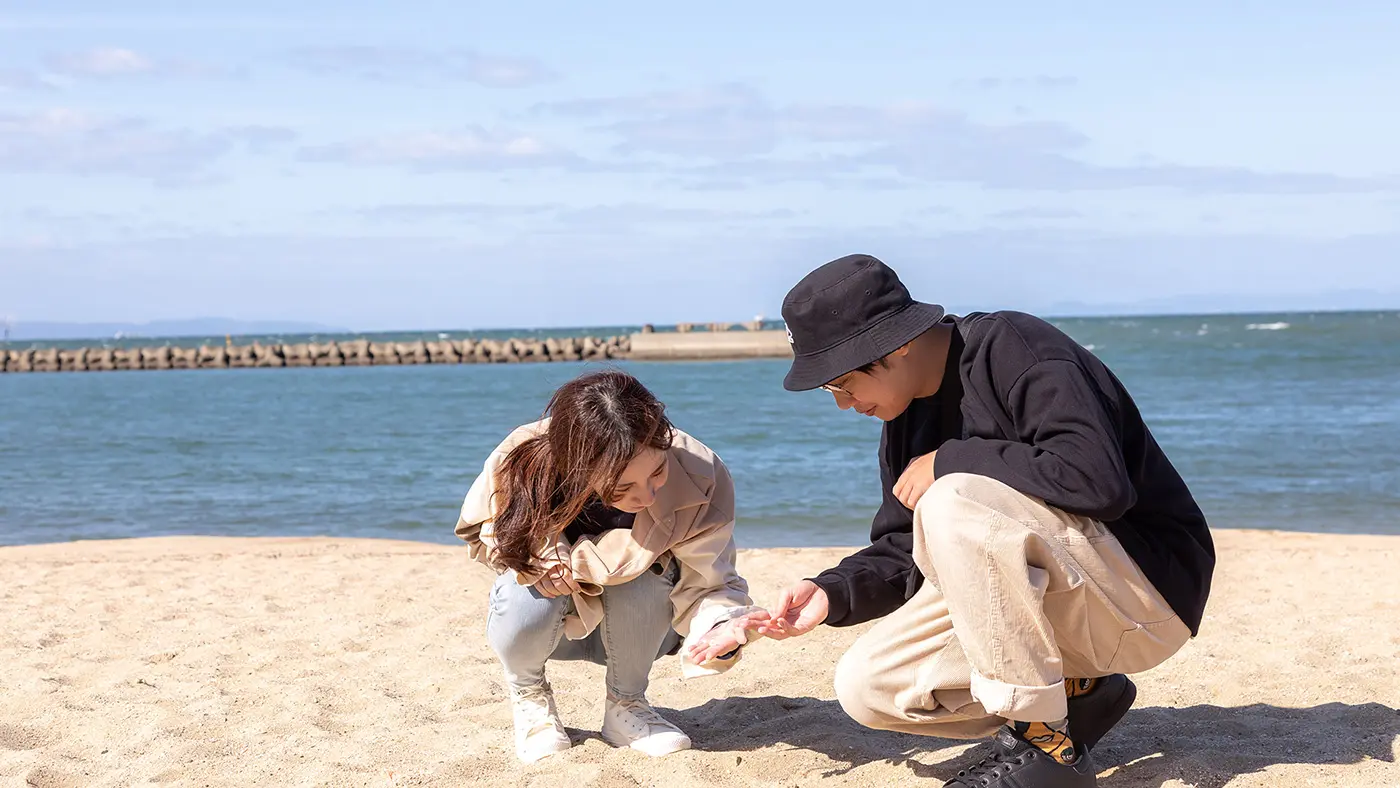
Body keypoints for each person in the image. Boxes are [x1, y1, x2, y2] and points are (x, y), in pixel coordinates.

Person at [756, 254, 1216, 787]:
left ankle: (1047, 748)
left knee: (952, 498)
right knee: (870, 686)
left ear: (895, 344)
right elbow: (905, 550)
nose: (842, 403)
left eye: (842, 382)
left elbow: (1098, 480)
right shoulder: (904, 419)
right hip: (1069, 613)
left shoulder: (1014, 347)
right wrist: (830, 592)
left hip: (1145, 594)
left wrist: (952, 459)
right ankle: (1081, 694)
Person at [455, 369, 766, 763]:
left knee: (644, 572)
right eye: (621, 488)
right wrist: (537, 559)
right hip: (553, 625)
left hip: (646, 629)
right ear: (577, 467)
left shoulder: (699, 471)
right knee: (525, 584)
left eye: (657, 473)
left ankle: (626, 705)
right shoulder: (522, 457)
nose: (648, 495)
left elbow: (709, 580)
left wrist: (722, 628)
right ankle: (530, 697)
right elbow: (488, 538)